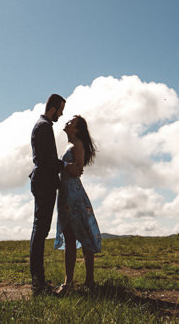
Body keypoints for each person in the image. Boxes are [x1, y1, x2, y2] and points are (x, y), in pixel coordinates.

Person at [53, 114, 102, 295]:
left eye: (71, 122)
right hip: (65, 194)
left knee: (83, 234)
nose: (67, 122)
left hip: (74, 195)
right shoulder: (69, 144)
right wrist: (64, 165)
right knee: (69, 238)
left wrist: (62, 164)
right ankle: (69, 282)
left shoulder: (77, 144)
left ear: (77, 129)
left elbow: (78, 169)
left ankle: (89, 281)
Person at [28, 93, 68, 294]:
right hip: (44, 182)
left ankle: (39, 280)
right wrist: (65, 165)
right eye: (60, 110)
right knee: (40, 230)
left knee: (40, 230)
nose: (61, 114)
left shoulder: (43, 125)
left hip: (43, 182)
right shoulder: (43, 127)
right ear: (53, 109)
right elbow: (46, 160)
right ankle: (38, 282)